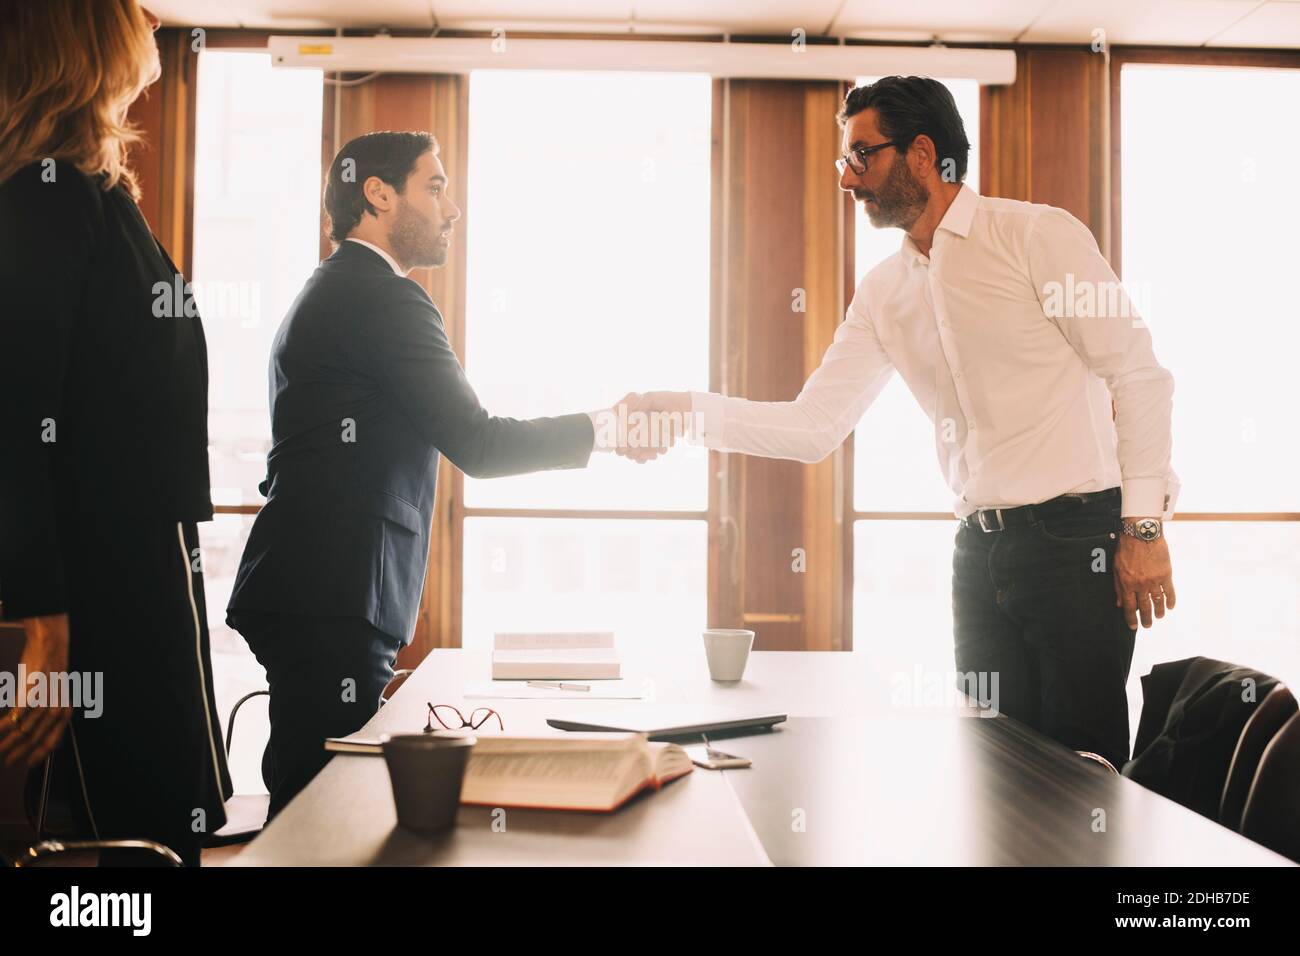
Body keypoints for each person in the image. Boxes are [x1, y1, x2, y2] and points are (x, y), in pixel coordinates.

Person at [627, 76, 1177, 771]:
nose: (846, 179)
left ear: (922, 155)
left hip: (1077, 543)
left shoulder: (1036, 236)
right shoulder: (885, 292)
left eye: (861, 156)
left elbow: (1140, 374)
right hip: (978, 556)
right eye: (844, 160)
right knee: (995, 775)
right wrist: (682, 413)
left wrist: (1143, 527)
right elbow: (813, 425)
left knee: (1084, 778)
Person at [226, 131, 642, 817]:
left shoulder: (332, 289)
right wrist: (610, 428)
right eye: (437, 187)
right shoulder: (383, 299)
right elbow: (478, 443)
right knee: (318, 819)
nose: (453, 210)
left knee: (315, 807)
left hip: (312, 592)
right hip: (332, 598)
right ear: (379, 194)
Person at [0, 0, 231, 865]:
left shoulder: (90, 193)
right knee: (127, 841)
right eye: (131, 10)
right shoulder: (43, 195)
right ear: (87, 39)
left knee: (164, 826)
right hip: (100, 584)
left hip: (144, 564)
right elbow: (15, 423)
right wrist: (45, 628)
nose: (150, 21)